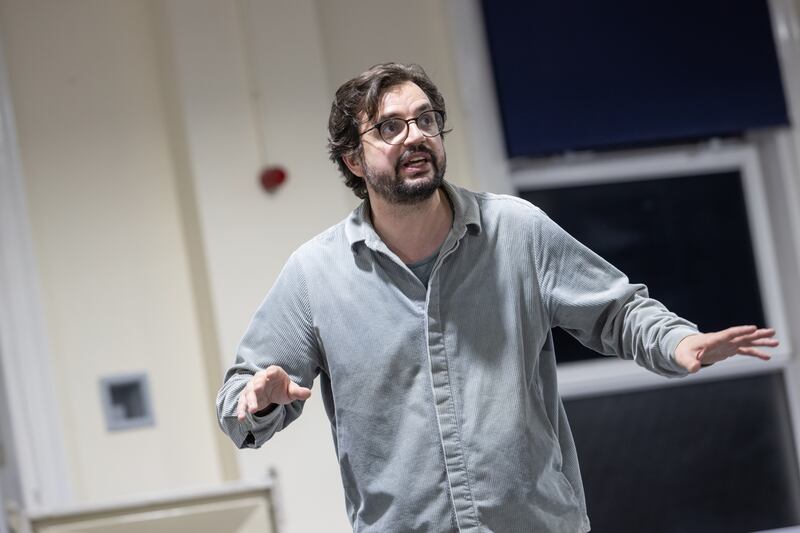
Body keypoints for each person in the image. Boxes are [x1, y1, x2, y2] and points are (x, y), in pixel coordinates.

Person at [216, 62, 778, 532]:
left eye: (425, 120)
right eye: (389, 127)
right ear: (354, 161)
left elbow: (617, 311)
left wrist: (679, 342)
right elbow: (238, 402)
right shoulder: (315, 275)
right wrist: (258, 400)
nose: (415, 136)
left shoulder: (516, 230)